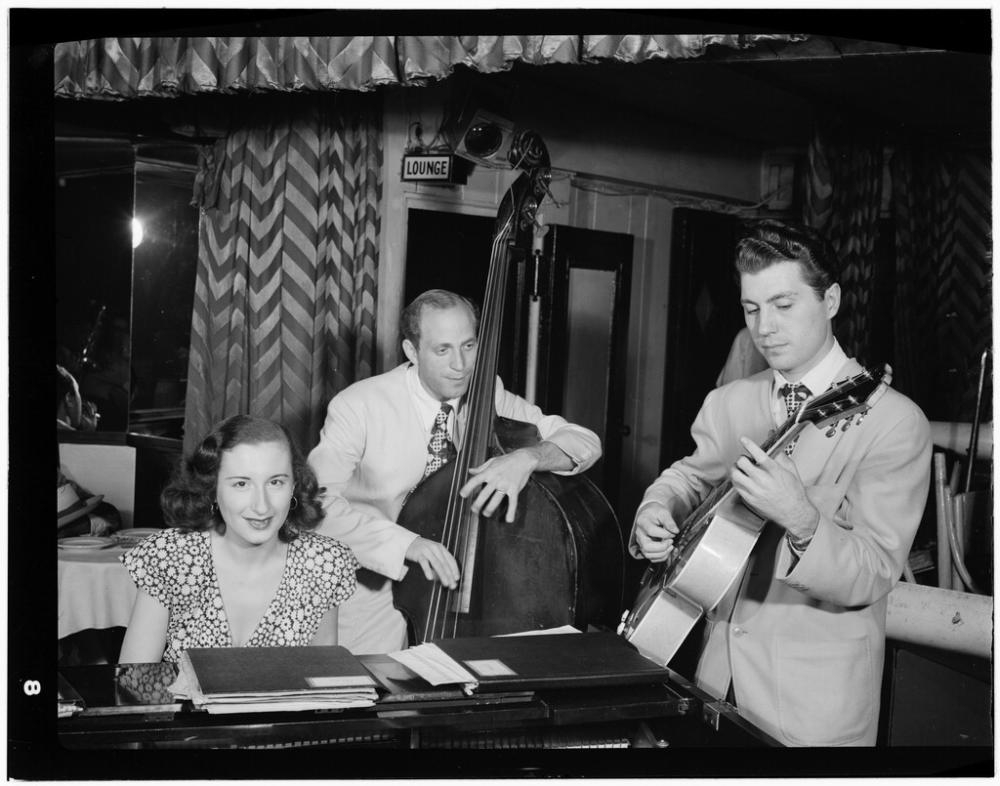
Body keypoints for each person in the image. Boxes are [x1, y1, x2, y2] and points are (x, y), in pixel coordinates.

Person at [630, 220, 931, 747]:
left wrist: (801, 516)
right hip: (712, 682)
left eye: (784, 305)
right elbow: (690, 477)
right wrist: (657, 507)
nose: (763, 327)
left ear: (831, 299)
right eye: (752, 309)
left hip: (813, 709)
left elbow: (876, 571)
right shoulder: (730, 401)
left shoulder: (895, 421)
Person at [308, 289, 602, 654]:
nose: (460, 365)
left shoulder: (486, 394)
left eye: (469, 346)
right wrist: (408, 544)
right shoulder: (358, 405)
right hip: (376, 588)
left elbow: (584, 441)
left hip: (461, 586)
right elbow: (316, 506)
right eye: (442, 349)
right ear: (412, 352)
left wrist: (527, 459)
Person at [118, 415, 358, 664]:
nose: (262, 506)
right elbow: (135, 683)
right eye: (241, 484)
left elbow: (325, 684)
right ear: (212, 488)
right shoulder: (170, 556)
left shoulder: (325, 564)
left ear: (294, 486)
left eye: (275, 482)